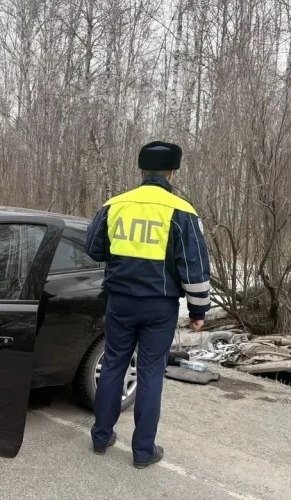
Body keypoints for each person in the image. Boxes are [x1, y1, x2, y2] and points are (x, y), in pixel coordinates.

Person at [84, 141, 211, 469]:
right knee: (152, 373)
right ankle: (143, 452)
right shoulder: (181, 211)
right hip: (159, 306)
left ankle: (101, 437)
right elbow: (193, 268)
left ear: (141, 171)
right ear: (172, 172)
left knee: (113, 364)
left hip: (120, 302)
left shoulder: (115, 205)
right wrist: (198, 312)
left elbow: (94, 248)